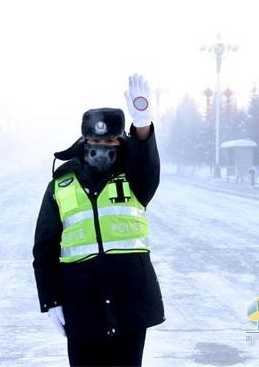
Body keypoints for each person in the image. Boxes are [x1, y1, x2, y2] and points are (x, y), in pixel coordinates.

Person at [33, 74, 165, 366]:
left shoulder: (135, 179)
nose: (101, 147)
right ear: (84, 141)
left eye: (109, 140)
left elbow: (146, 163)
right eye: (95, 140)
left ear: (121, 142)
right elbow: (44, 248)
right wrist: (51, 299)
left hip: (130, 302)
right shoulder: (61, 186)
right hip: (81, 304)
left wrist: (142, 123)